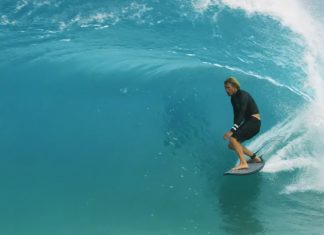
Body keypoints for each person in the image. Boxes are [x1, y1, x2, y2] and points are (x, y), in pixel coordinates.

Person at [223, 77, 262, 170]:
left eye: (228, 87)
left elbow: (241, 114)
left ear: (235, 86)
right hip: (248, 121)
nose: (226, 90)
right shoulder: (233, 98)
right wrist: (234, 129)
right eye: (225, 88)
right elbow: (236, 116)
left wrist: (232, 131)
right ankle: (255, 158)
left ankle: (243, 163)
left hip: (254, 122)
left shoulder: (243, 96)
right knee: (231, 145)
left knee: (233, 139)